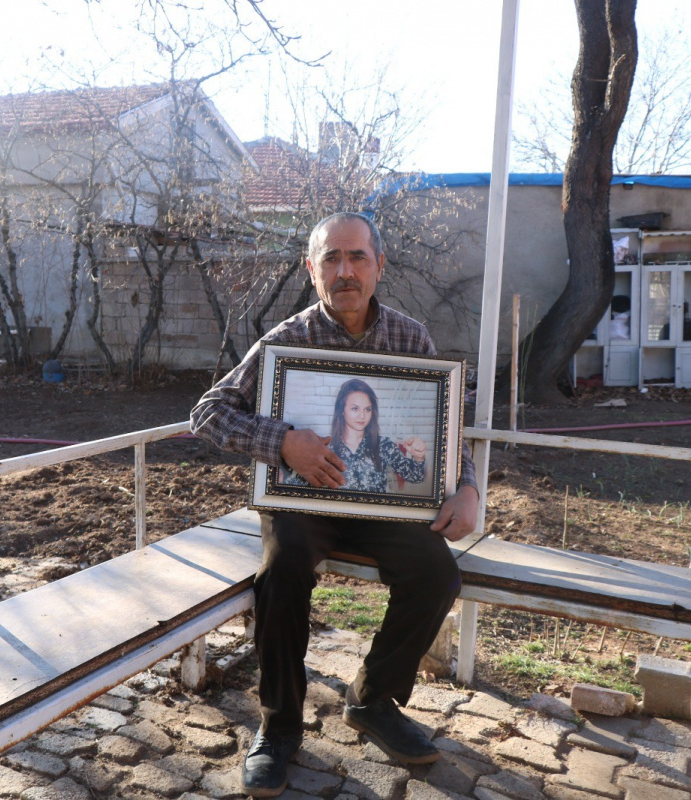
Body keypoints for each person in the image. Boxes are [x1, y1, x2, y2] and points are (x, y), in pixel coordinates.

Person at [190, 211, 480, 797]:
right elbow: (208, 412)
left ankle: (372, 701)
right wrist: (283, 443)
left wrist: (467, 487)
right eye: (331, 258)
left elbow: (444, 433)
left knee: (435, 570)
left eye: (357, 258)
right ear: (312, 268)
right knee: (282, 569)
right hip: (303, 501)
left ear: (378, 267)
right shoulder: (286, 339)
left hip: (381, 502)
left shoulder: (409, 338)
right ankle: (278, 726)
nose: (344, 271)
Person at [282, 378, 427, 493]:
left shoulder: (383, 445)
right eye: (355, 408)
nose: (362, 416)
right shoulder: (325, 446)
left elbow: (415, 476)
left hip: (375, 523)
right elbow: (296, 484)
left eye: (367, 409)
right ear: (342, 410)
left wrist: (418, 457)